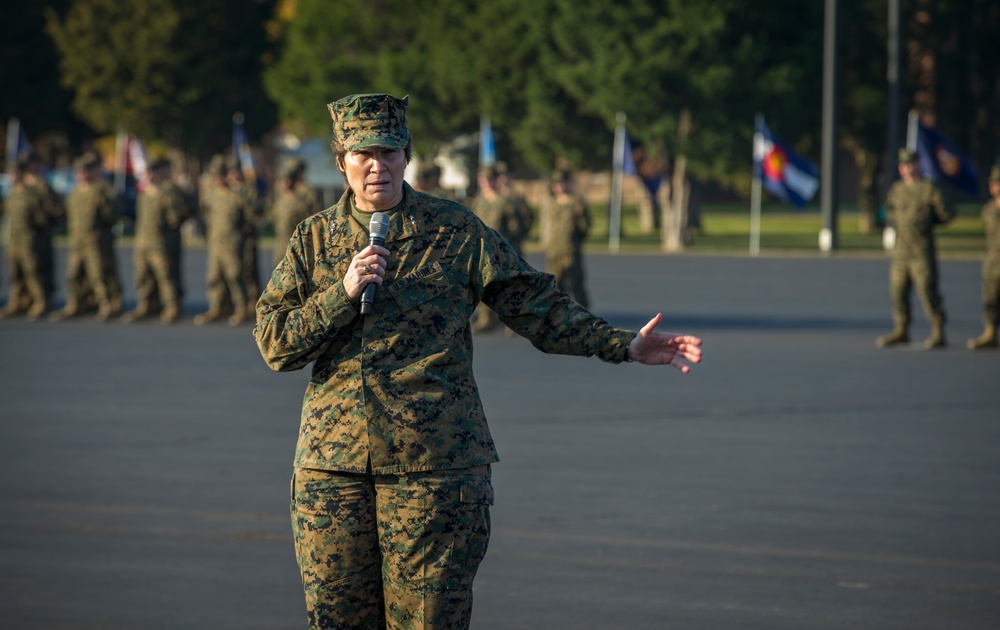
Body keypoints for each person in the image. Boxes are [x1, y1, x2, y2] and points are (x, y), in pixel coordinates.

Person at [253, 93, 703, 630]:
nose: (378, 166)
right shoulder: (314, 239)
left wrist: (622, 345)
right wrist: (341, 293)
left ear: (407, 156)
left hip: (434, 470)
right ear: (341, 161)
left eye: (391, 152)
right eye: (363, 154)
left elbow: (534, 305)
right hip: (333, 473)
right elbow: (275, 343)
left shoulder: (454, 231)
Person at [876, 148, 955, 349]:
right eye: (904, 165)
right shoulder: (897, 189)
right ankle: (901, 329)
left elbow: (946, 214)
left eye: (911, 164)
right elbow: (890, 211)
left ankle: (938, 331)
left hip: (922, 250)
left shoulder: (929, 188)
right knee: (898, 291)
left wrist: (928, 223)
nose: (907, 169)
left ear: (918, 165)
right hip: (901, 251)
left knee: (928, 290)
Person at [51, 152, 123, 322]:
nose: (81, 174)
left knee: (101, 274)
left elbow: (112, 215)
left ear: (95, 171)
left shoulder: (103, 190)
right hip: (77, 241)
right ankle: (76, 304)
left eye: (85, 170)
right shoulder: (74, 192)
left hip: (97, 241)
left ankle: (108, 305)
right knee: (74, 275)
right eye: (78, 171)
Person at [122, 158, 190, 324]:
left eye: (152, 173)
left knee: (166, 277)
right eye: (146, 173)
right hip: (143, 243)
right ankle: (147, 305)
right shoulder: (144, 195)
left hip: (161, 244)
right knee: (143, 277)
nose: (148, 176)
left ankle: (172, 307)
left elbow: (175, 218)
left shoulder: (168, 193)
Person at [470, 164, 534, 332]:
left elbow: (516, 227)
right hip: (484, 251)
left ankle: (513, 322)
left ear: (495, 181)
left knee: (508, 288)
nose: (486, 184)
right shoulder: (478, 201)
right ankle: (487, 319)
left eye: (489, 180)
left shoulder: (505, 202)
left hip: (503, 251)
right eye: (483, 180)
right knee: (484, 285)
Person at [193, 155, 256, 326]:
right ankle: (218, 307)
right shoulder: (212, 196)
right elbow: (206, 215)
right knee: (215, 277)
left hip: (233, 244)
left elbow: (250, 218)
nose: (217, 180)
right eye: (215, 177)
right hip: (216, 243)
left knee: (235, 276)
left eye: (220, 176)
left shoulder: (236, 196)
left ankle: (242, 308)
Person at [0, 154, 63, 320]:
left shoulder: (37, 189)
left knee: (34, 272)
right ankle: (17, 302)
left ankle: (41, 301)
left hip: (33, 239)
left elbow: (51, 212)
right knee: (16, 273)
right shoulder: (13, 192)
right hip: (14, 239)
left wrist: (42, 227)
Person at [546, 167, 592, 309]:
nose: (559, 187)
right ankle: (560, 314)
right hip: (554, 251)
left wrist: (575, 241)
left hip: (570, 251)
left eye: (561, 183)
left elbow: (584, 226)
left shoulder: (576, 203)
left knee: (576, 283)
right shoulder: (553, 203)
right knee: (555, 285)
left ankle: (585, 314)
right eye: (556, 184)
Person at [967, 166, 1000, 349]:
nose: (996, 187)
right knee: (991, 299)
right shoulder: (988, 210)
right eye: (994, 183)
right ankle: (990, 333)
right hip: (993, 262)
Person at [270, 157, 322, 268]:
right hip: (282, 243)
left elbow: (314, 217)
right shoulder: (283, 193)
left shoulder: (306, 192)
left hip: (300, 244)